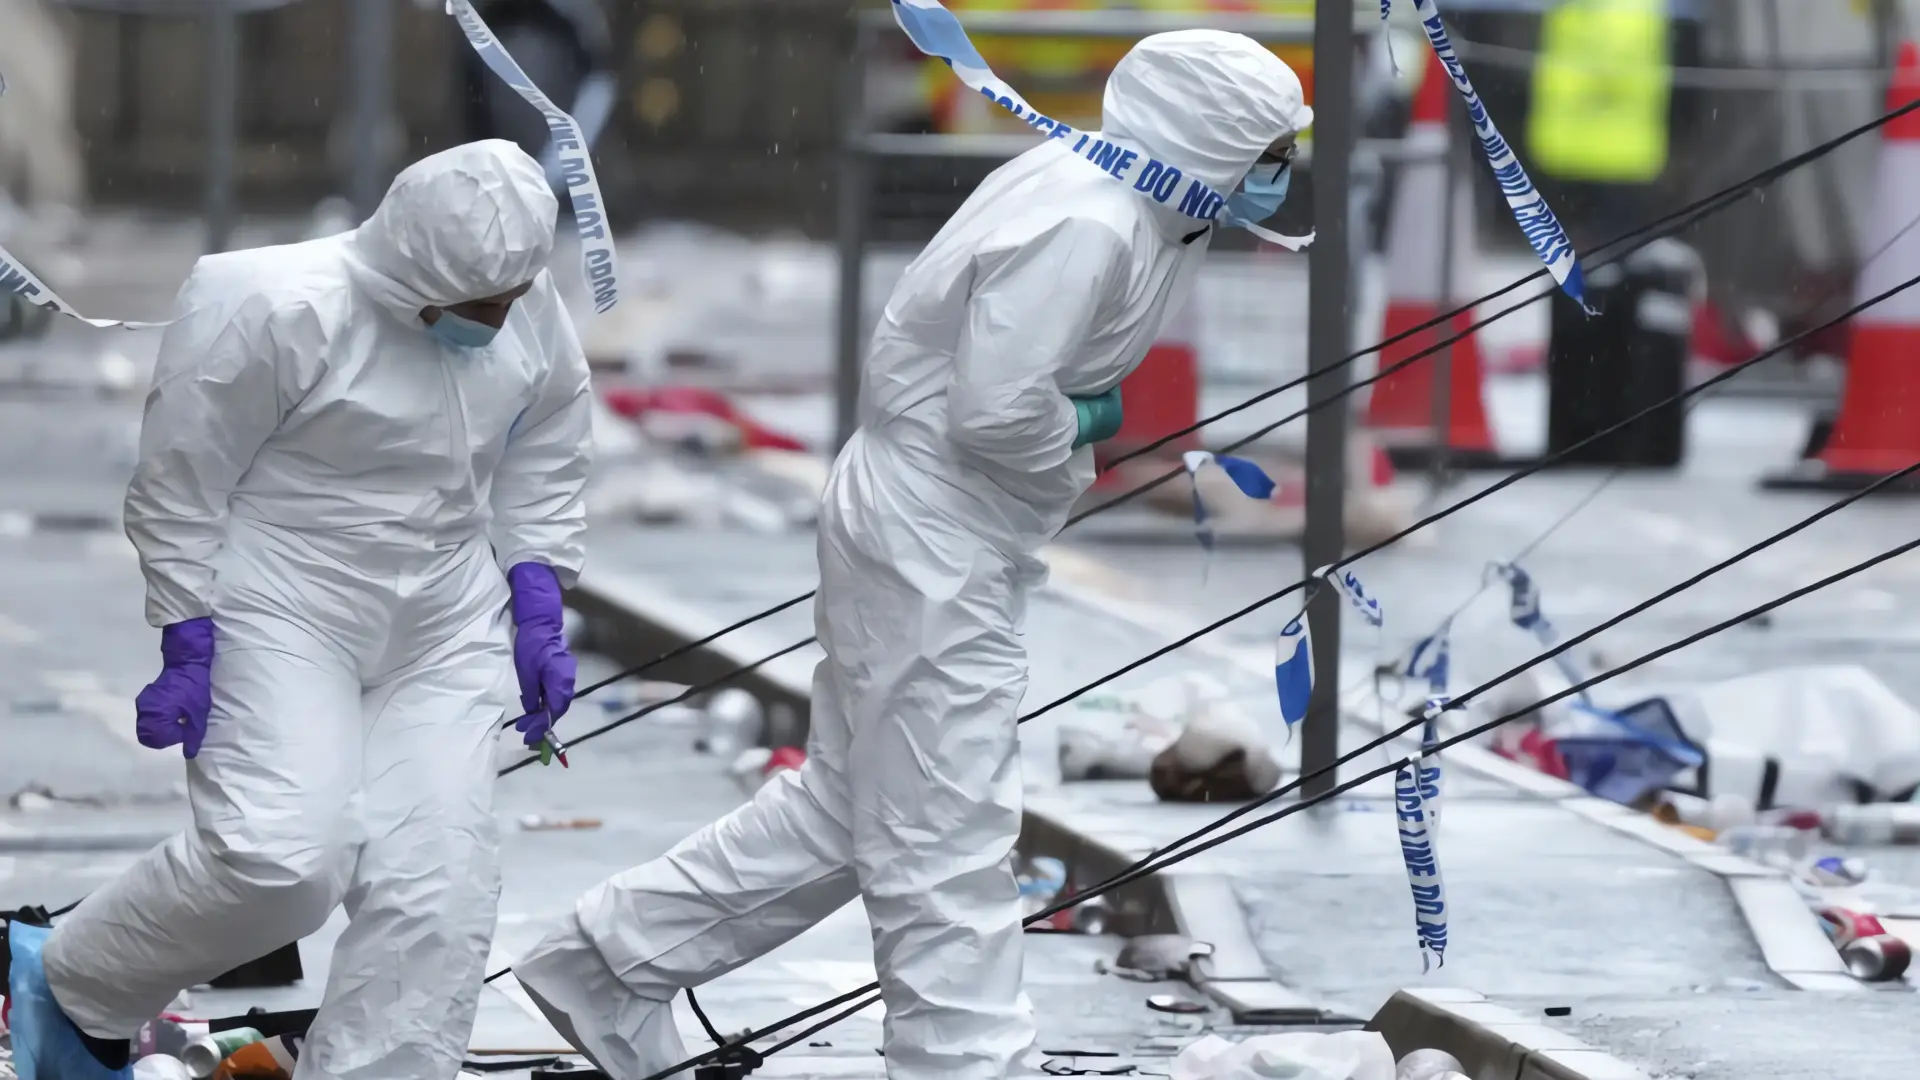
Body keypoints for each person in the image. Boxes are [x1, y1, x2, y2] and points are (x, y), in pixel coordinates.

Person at [511, 30, 1311, 1080]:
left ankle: (606, 962)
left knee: (851, 812)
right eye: (1266, 150)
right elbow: (995, 412)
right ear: (1207, 143)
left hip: (935, 523)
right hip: (938, 528)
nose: (1280, 175)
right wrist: (1084, 421)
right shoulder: (1093, 223)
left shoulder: (1121, 199)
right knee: (948, 818)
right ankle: (964, 1061)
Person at [4, 139, 593, 1080]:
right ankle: (79, 981)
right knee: (280, 861)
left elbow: (551, 428)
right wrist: (186, 630)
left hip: (441, 609)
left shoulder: (520, 295)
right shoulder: (273, 302)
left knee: (437, 881)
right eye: (480, 306)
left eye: (510, 300)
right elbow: (182, 479)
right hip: (285, 598)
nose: (499, 320)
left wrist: (535, 588)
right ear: (416, 272)